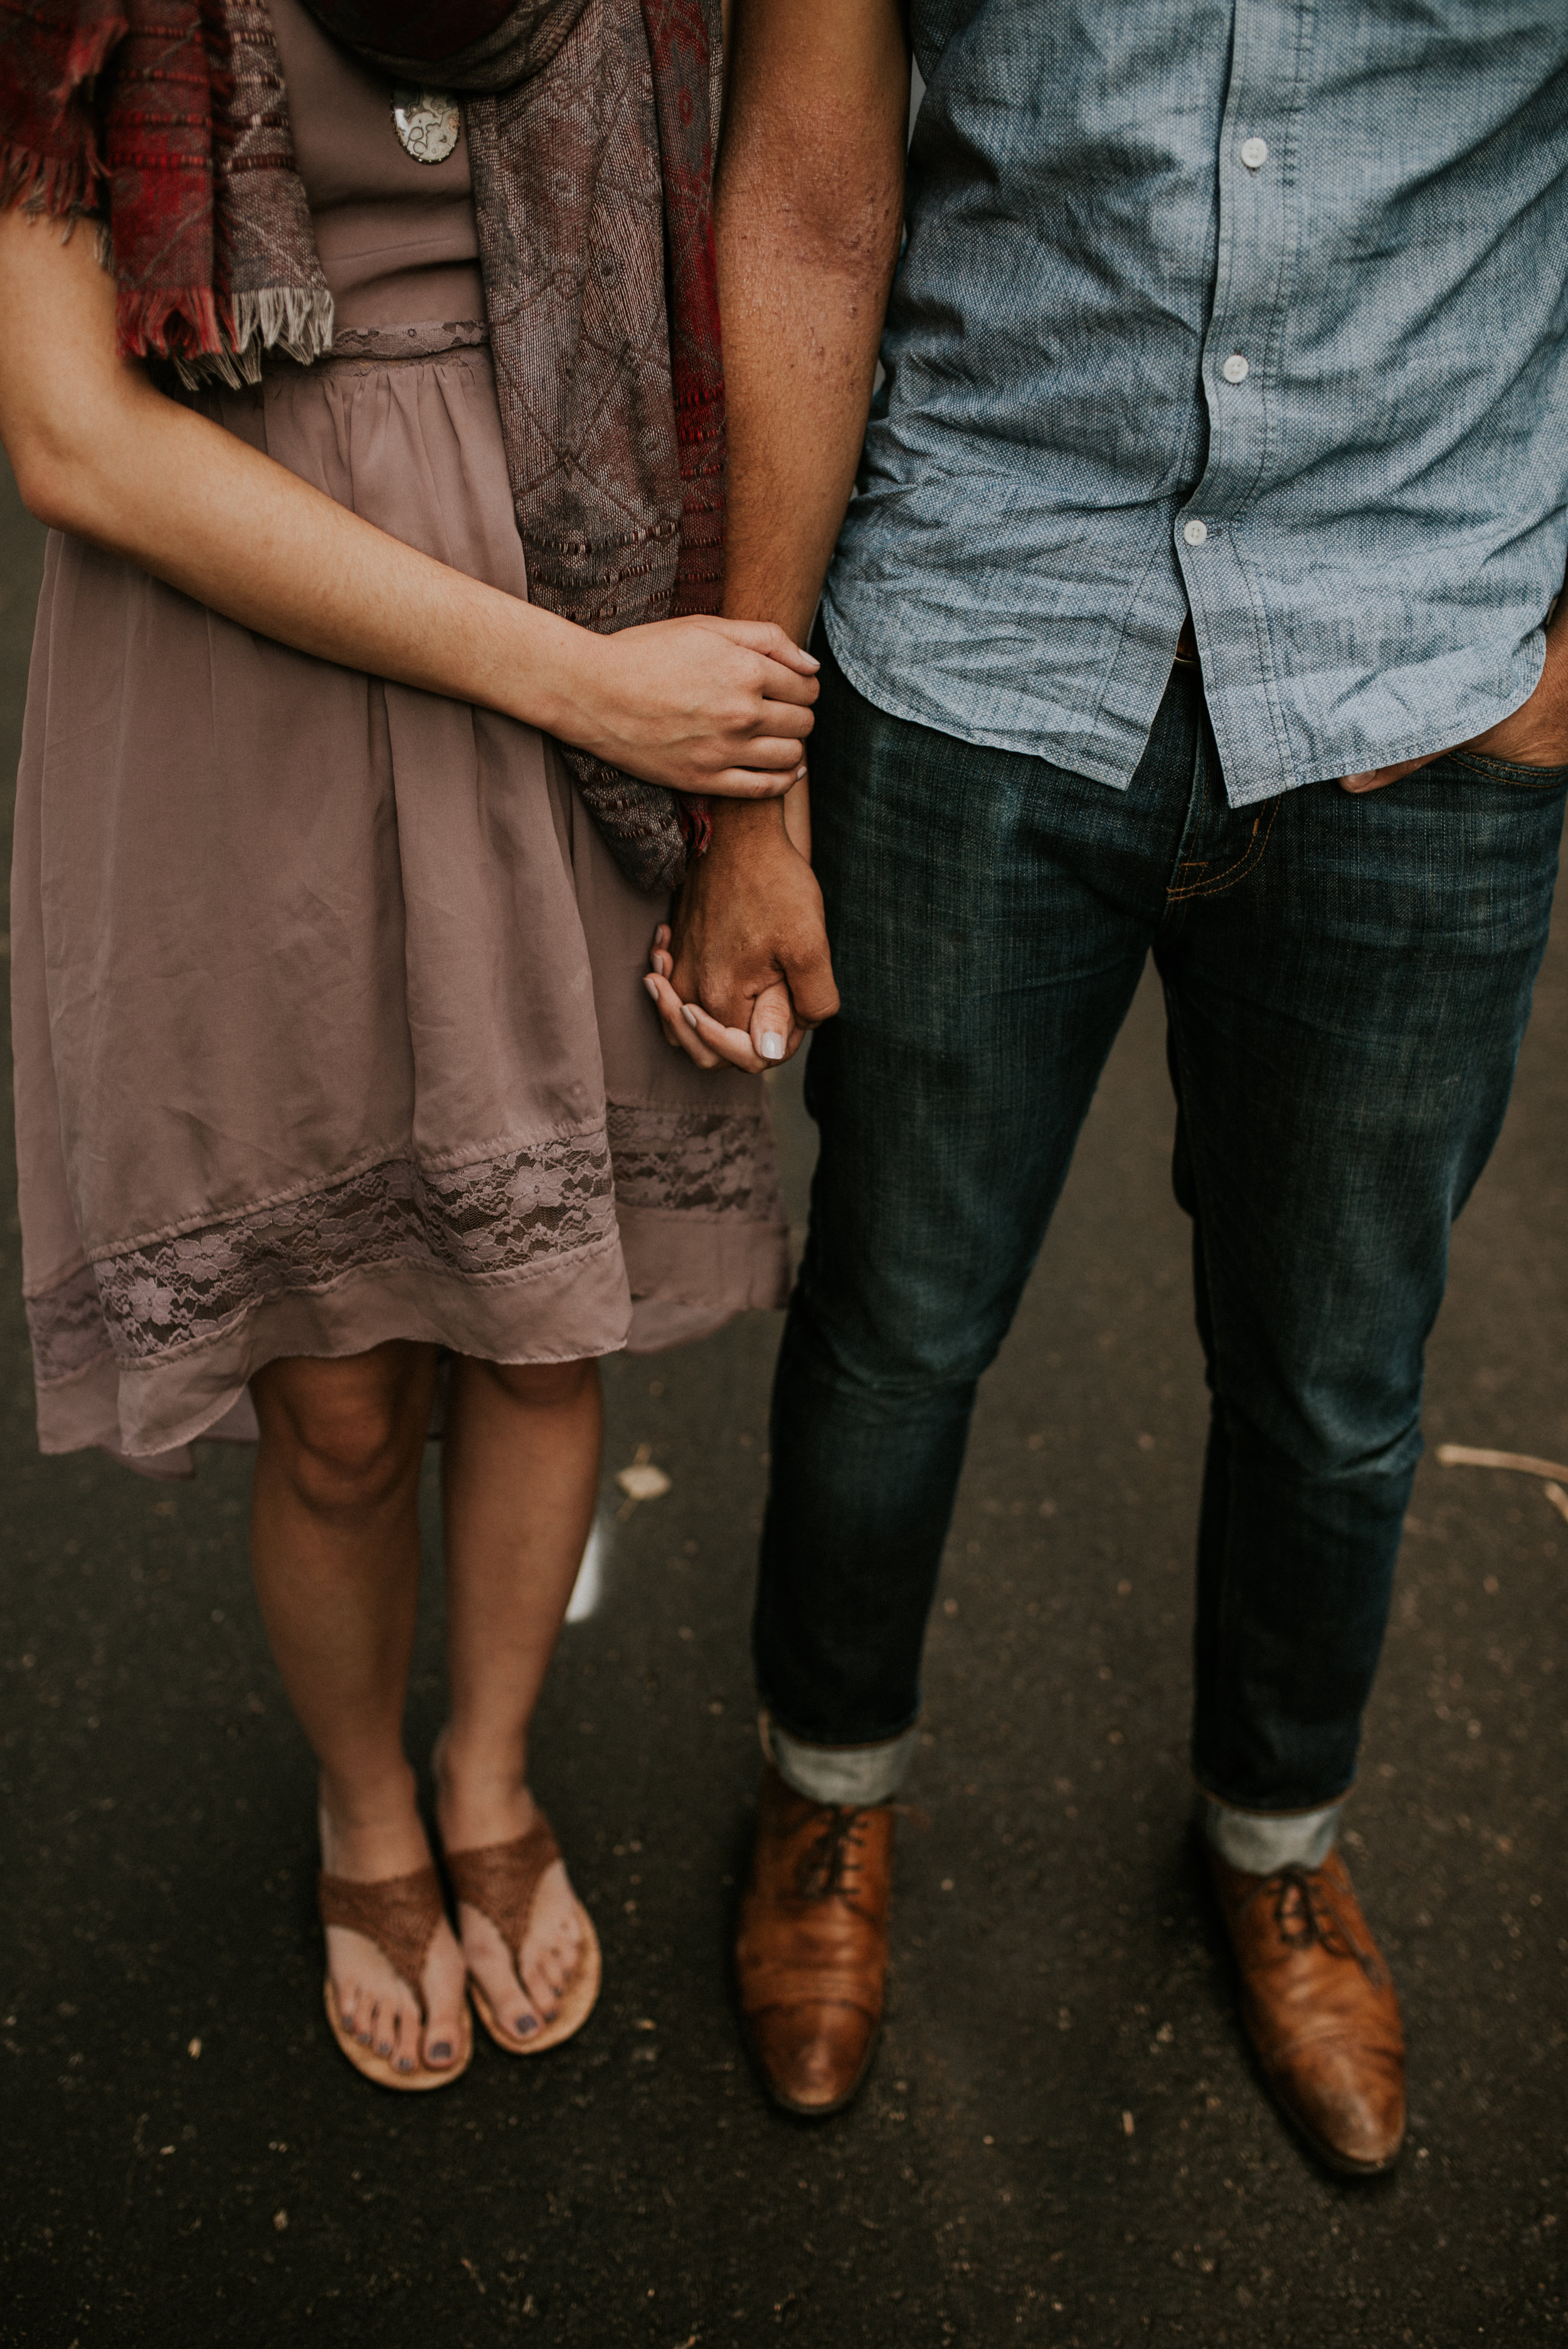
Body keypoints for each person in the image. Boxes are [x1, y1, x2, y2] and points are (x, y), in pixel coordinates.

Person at [647, 0, 1568, 2172]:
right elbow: (800, 192)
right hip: (977, 634)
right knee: (895, 1317)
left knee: (1338, 1373)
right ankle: (826, 1793)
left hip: (1417, 665)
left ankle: (1276, 1835)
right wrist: (747, 802)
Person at [0, 0, 826, 2091]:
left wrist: (712, 757)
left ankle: (486, 1771)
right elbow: (68, 432)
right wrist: (588, 691)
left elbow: (790, 230)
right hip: (245, 651)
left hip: (587, 540)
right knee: (345, 1396)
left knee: (546, 1329)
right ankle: (367, 1805)